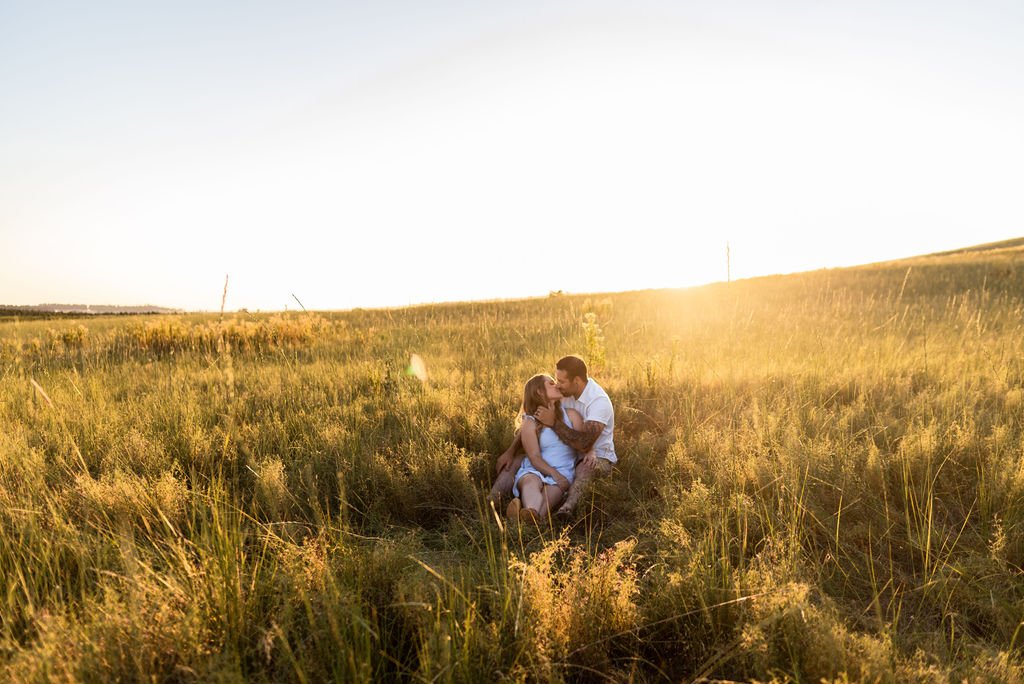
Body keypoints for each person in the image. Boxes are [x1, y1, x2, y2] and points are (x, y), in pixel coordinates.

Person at [491, 355, 616, 518]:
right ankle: (494, 502)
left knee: (585, 468)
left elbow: (585, 443)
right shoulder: (564, 393)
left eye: (561, 382)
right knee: (516, 462)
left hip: (596, 455)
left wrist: (554, 423)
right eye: (554, 381)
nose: (557, 385)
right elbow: (531, 423)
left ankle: (567, 508)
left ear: (576, 381)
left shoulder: (598, 401)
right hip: (551, 459)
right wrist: (511, 450)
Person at [505, 373, 586, 523]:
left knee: (548, 499)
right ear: (539, 391)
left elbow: (582, 444)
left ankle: (525, 517)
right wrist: (554, 474)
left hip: (563, 471)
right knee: (531, 482)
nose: (557, 385)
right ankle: (531, 513)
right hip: (535, 469)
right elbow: (534, 457)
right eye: (551, 383)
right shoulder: (530, 422)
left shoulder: (572, 415)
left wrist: (592, 451)